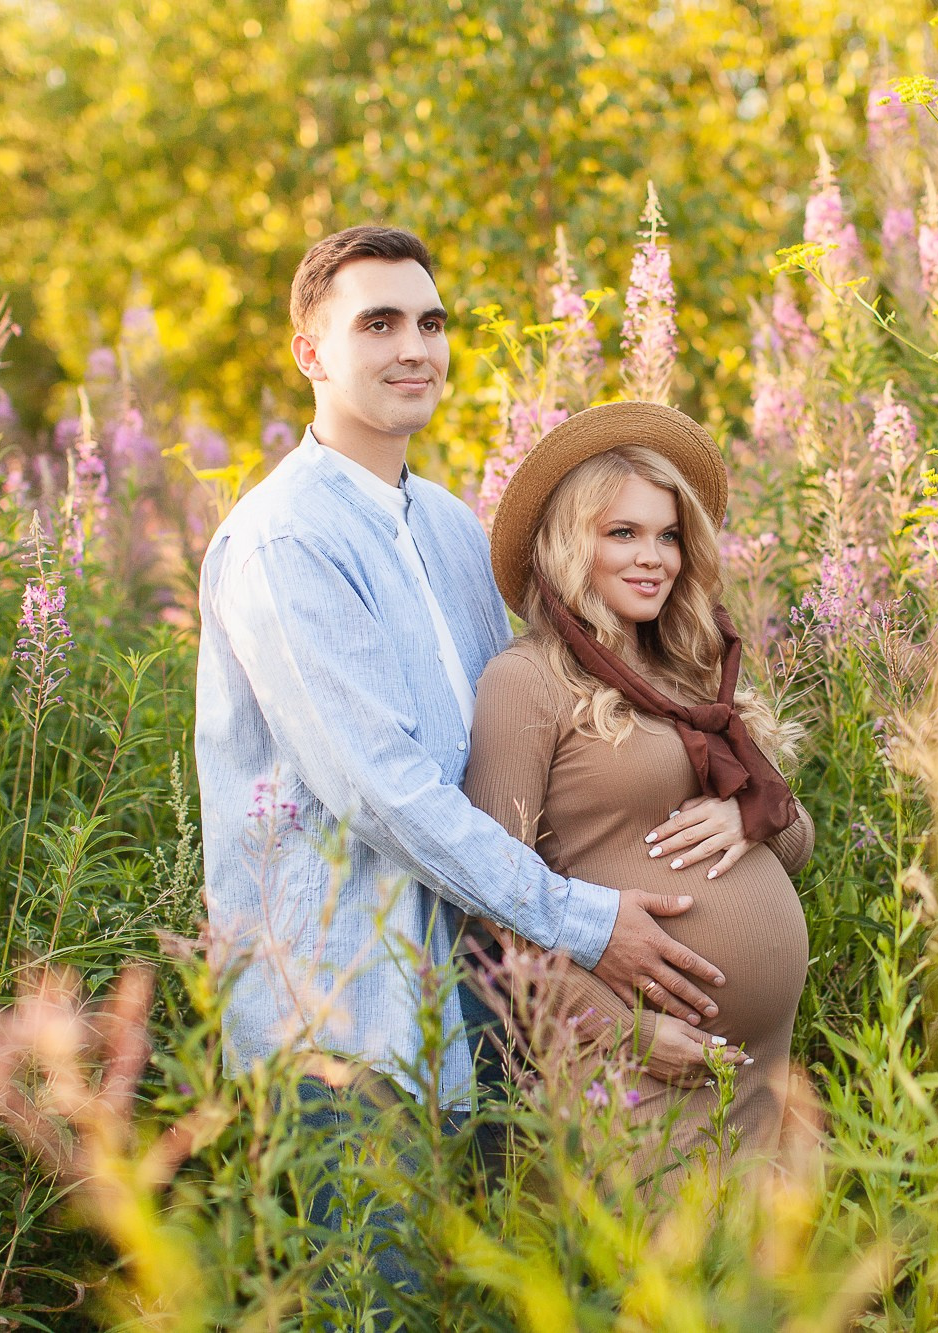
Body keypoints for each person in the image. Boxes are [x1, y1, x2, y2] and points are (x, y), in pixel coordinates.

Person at [192, 227, 727, 1293]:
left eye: (430, 323)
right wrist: (586, 924)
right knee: (373, 1306)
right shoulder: (283, 540)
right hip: (344, 1027)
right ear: (309, 352)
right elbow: (382, 792)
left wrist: (731, 801)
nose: (414, 347)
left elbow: (534, 746)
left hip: (483, 1009)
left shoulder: (445, 525)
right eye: (378, 323)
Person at [463, 401, 813, 1185]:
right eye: (622, 533)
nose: (653, 557)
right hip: (634, 1071)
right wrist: (623, 1030)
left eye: (668, 535)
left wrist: (747, 815)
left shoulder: (693, 671)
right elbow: (491, 902)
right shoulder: (527, 680)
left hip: (761, 1074)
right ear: (570, 542)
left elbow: (797, 839)